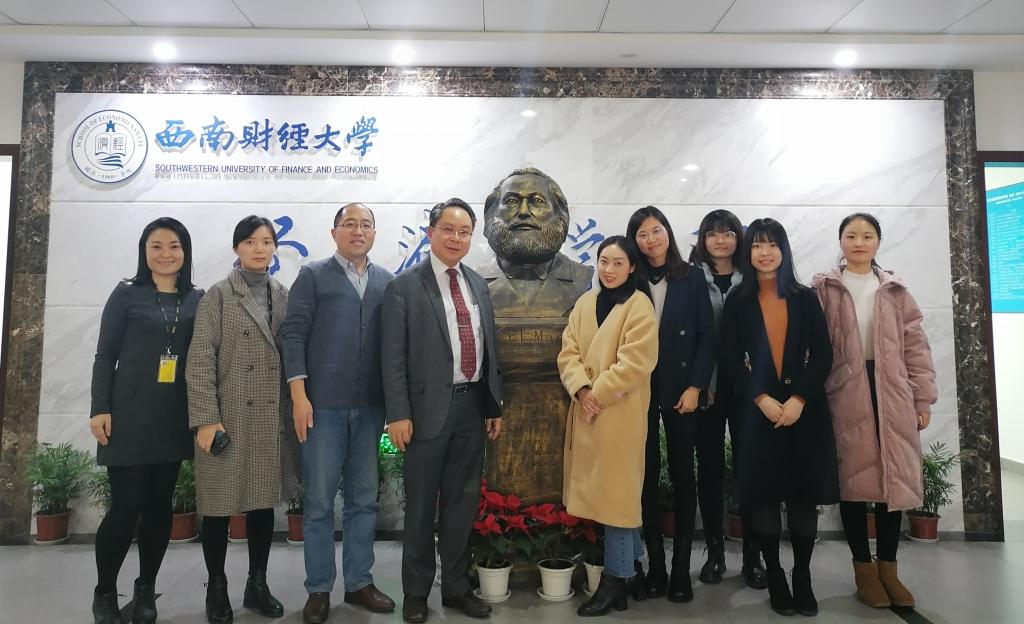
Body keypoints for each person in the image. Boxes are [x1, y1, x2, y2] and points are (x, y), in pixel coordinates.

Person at [381, 199, 504, 623]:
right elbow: (392, 357)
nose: (456, 238)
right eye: (448, 229)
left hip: (471, 406)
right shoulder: (404, 287)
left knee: (462, 503)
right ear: (430, 232)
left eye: (464, 231)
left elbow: (489, 348)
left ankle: (456, 587)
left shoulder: (478, 284)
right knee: (420, 507)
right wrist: (398, 414)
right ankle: (416, 593)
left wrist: (492, 403)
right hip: (424, 412)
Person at [812, 213, 937, 609]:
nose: (859, 242)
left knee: (891, 483)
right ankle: (863, 570)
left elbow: (916, 346)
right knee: (852, 483)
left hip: (891, 391)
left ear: (878, 242)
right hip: (843, 392)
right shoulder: (824, 289)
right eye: (851, 235)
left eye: (867, 236)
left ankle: (888, 569)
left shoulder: (895, 291)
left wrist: (921, 398)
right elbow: (811, 345)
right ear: (841, 241)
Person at [281, 203, 396, 624]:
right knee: (318, 502)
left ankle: (359, 582)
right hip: (321, 407)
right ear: (334, 233)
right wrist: (299, 395)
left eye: (365, 225)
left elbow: (394, 346)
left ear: (374, 234)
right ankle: (318, 589)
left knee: (364, 500)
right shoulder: (313, 276)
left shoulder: (387, 281)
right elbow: (293, 335)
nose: (358, 231)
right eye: (350, 224)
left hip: (370, 407)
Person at [720, 218, 839, 617]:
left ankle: (802, 576)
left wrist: (799, 398)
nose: (765, 252)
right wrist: (761, 398)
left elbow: (823, 353)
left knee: (803, 498)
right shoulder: (738, 301)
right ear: (748, 252)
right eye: (757, 245)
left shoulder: (804, 298)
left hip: (804, 413)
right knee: (764, 498)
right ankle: (774, 575)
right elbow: (730, 358)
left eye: (772, 245)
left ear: (784, 251)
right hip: (759, 416)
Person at [89, 217, 203, 624]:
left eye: (174, 246)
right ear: (144, 251)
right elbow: (105, 354)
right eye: (156, 246)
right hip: (128, 414)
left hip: (173, 415)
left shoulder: (197, 299)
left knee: (159, 507)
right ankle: (105, 592)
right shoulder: (126, 294)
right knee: (126, 506)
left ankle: (145, 590)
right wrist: (99, 407)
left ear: (185, 252)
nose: (165, 254)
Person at [186, 216, 299, 624]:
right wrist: (205, 419)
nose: (259, 249)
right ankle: (216, 588)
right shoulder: (217, 296)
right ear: (237, 248)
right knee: (217, 507)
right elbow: (200, 361)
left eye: (267, 241)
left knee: (262, 505)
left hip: (269, 417)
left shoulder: (283, 295)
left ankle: (257, 584)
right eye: (250, 241)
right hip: (226, 419)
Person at [557, 236, 659, 617]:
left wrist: (596, 394)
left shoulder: (639, 305)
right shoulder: (585, 303)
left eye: (618, 263)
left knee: (618, 501)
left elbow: (636, 361)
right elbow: (568, 351)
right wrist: (582, 390)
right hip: (588, 413)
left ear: (632, 267)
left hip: (619, 416)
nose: (609, 269)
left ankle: (615, 582)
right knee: (615, 499)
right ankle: (632, 570)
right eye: (604, 261)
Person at [626, 207, 716, 602]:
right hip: (640, 390)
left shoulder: (691, 276)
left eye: (656, 230)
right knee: (644, 476)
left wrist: (697, 386)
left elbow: (706, 336)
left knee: (683, 476)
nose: (651, 240)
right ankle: (656, 567)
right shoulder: (630, 278)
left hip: (682, 390)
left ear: (668, 233)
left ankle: (681, 568)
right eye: (642, 234)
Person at [689, 209, 768, 590]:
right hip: (705, 388)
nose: (720, 241)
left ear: (740, 238)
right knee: (709, 469)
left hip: (748, 388)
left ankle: (753, 556)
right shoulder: (690, 278)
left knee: (750, 468)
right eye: (712, 234)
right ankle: (715, 553)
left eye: (728, 233)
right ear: (703, 240)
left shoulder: (753, 278)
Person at [480, 167, 593, 317]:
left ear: (560, 215)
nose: (524, 211)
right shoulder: (475, 281)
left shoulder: (581, 276)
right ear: (491, 216)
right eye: (511, 201)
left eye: (537, 201)